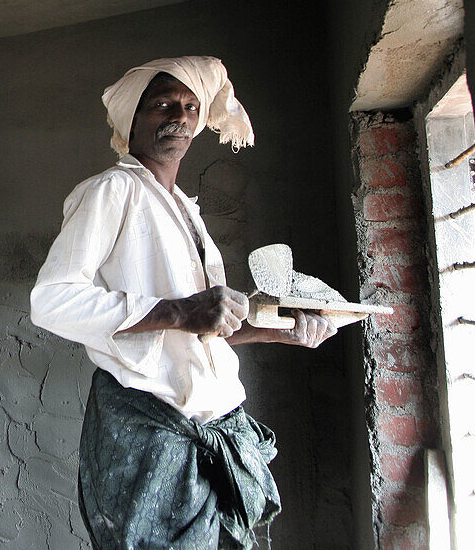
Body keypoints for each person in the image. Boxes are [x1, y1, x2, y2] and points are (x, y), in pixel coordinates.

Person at [31, 56, 338, 549]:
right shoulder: (112, 191)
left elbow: (206, 327)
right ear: (133, 118)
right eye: (162, 105)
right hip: (154, 436)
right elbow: (51, 302)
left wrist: (286, 327)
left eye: (191, 106)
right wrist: (179, 310)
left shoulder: (184, 209)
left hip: (216, 432)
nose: (179, 116)